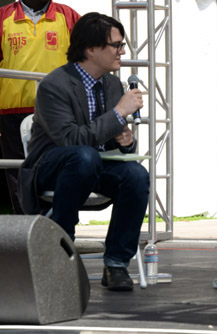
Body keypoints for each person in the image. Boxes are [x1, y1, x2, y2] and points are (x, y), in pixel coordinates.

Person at [19, 12, 150, 292]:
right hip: (52, 168)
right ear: (91, 49)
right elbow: (70, 140)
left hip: (92, 165)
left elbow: (107, 139)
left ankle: (116, 263)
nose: (122, 51)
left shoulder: (112, 84)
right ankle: (60, 245)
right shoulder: (54, 85)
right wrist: (118, 114)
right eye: (116, 45)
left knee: (136, 175)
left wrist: (125, 141)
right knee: (84, 156)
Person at [0, 0, 80, 214]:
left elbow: (87, 60)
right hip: (13, 111)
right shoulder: (3, 17)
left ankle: (59, 230)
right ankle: (25, 232)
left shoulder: (69, 16)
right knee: (18, 171)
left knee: (58, 169)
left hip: (59, 111)